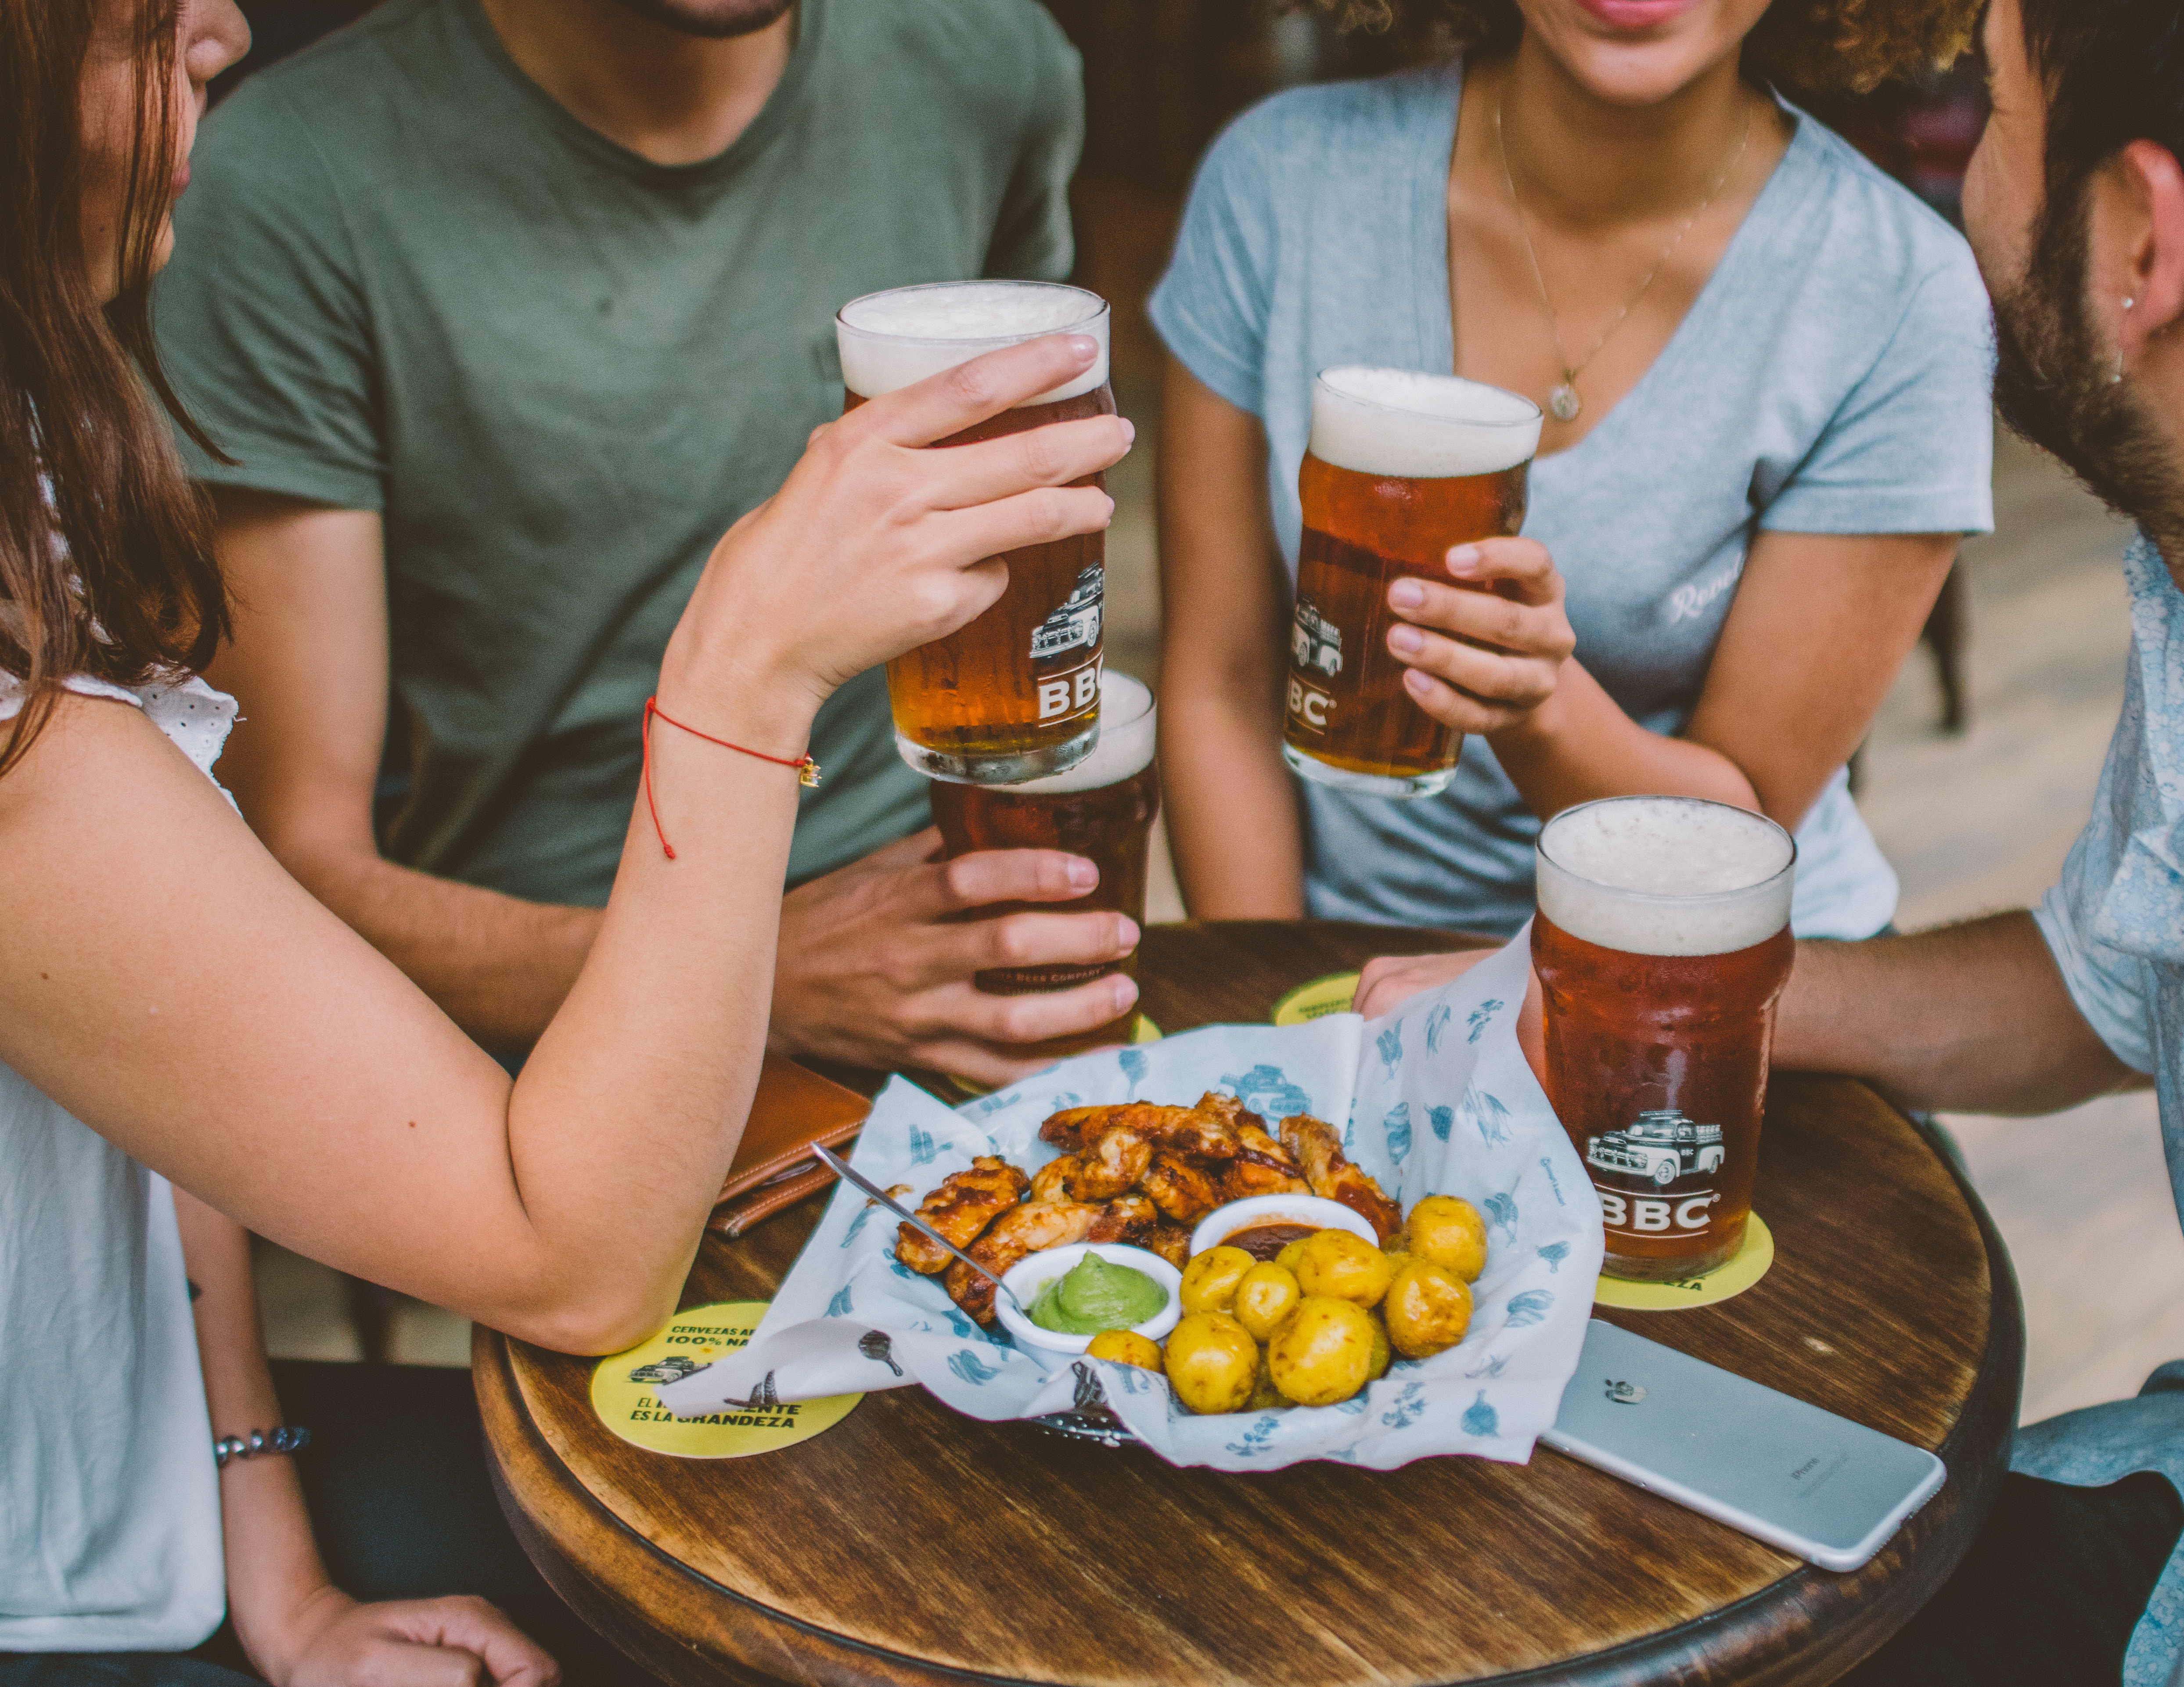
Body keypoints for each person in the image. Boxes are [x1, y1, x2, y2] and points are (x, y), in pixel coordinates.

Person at [1364, 0, 2184, 1678]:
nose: (1957, 184)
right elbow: (2105, 976)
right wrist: (1649, 990)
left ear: (2139, 243)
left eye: (1987, 111)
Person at [0, 0, 1131, 1680]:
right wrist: (741, 666)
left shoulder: (32, 430)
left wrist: (269, 1542)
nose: (222, 31)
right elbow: (578, 1262)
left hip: (146, 1503)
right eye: (129, 20)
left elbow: (162, 1060)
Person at [151, 0, 1135, 1088]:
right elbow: (286, 869)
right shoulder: (281, 174)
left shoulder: (992, 58)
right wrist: (762, 972)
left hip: (950, 942)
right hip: (548, 1027)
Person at [1150, 0, 1992, 941]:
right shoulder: (1277, 182)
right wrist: (1278, 1016)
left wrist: (1538, 709)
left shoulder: (1900, 295)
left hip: (1704, 1001)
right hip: (1344, 982)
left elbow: (1736, 830)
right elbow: (1220, 685)